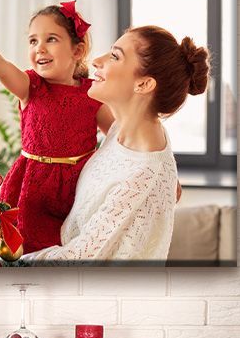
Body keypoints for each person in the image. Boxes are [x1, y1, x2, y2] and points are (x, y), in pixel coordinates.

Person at [0, 2, 114, 253]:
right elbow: (0, 66)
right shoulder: (31, 86)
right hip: (31, 190)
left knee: (71, 253)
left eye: (51, 39)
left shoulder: (93, 94)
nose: (40, 48)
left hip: (78, 189)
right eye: (33, 41)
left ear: (77, 50)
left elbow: (122, 138)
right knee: (23, 252)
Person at [24, 25, 209, 262]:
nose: (96, 62)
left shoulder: (142, 176)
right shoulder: (123, 129)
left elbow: (77, 260)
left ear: (143, 85)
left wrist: (2, 264)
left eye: (115, 56)